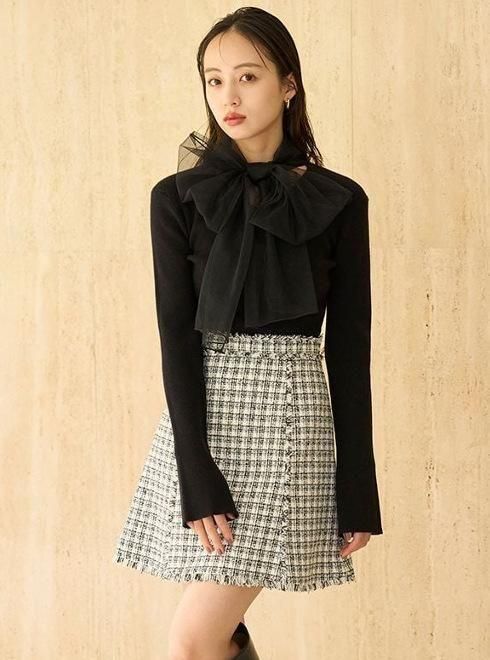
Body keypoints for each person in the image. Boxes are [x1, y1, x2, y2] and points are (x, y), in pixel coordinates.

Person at [113, 7, 383, 660]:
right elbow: (176, 339)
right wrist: (195, 467)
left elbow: (350, 350)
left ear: (288, 84)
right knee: (215, 635)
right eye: (214, 80)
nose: (228, 96)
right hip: (201, 424)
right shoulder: (176, 197)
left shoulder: (339, 199)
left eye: (248, 76)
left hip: (288, 419)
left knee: (194, 639)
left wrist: (358, 486)